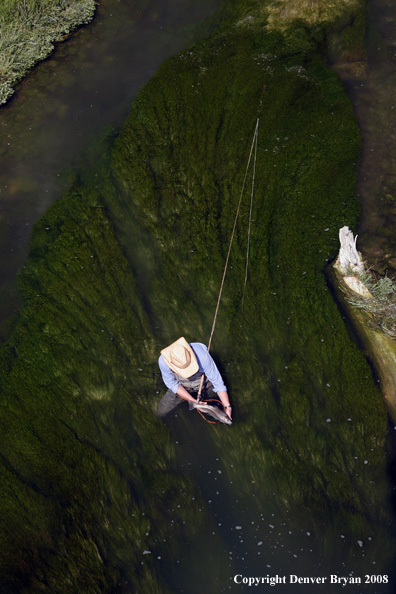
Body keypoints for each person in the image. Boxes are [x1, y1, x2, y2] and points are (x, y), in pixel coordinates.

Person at [157, 336, 232, 420]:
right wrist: (192, 401)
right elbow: (172, 384)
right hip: (181, 385)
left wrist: (227, 406)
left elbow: (218, 383)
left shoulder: (202, 355)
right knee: (161, 412)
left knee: (218, 401)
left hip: (205, 382)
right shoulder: (163, 362)